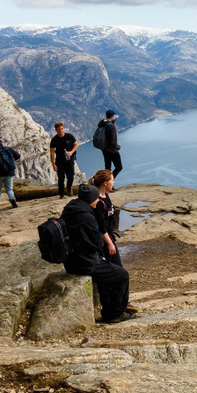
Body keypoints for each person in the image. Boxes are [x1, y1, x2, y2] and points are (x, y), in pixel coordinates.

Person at [61, 184, 135, 323]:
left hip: (73, 259)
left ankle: (110, 311)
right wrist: (99, 253)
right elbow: (94, 241)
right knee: (121, 275)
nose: (98, 201)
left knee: (108, 275)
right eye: (96, 198)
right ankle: (115, 314)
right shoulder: (85, 217)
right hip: (84, 263)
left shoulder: (72, 209)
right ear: (91, 199)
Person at [89, 169, 122, 265]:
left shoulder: (106, 195)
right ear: (105, 183)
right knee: (114, 267)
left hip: (110, 237)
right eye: (112, 180)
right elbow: (101, 225)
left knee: (117, 266)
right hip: (104, 241)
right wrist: (109, 244)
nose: (113, 182)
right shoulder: (98, 202)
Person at [50, 122, 78, 199]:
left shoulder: (69, 136)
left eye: (62, 129)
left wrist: (71, 152)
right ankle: (61, 194)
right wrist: (53, 164)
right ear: (56, 130)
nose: (61, 131)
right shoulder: (54, 139)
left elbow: (76, 144)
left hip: (69, 161)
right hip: (59, 162)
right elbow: (52, 152)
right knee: (61, 178)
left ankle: (69, 189)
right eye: (59, 129)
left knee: (70, 177)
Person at [95, 109, 123, 180]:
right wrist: (118, 147)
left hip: (104, 149)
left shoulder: (102, 124)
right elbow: (113, 141)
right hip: (112, 150)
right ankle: (109, 182)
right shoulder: (111, 127)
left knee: (107, 168)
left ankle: (106, 185)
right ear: (112, 116)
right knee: (119, 167)